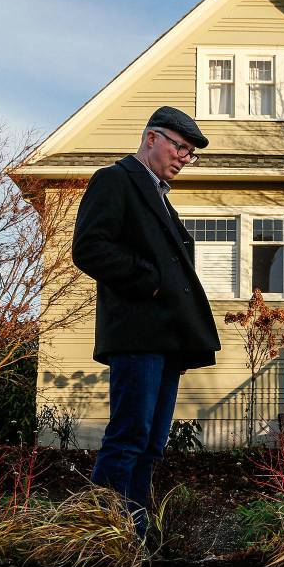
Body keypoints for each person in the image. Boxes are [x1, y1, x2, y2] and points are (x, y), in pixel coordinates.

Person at [72, 106, 220, 536]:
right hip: (137, 336)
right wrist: (150, 282)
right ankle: (100, 533)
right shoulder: (115, 180)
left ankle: (136, 529)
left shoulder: (160, 197)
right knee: (129, 436)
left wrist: (179, 329)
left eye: (190, 153)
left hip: (167, 339)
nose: (184, 158)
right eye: (180, 147)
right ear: (151, 138)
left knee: (153, 442)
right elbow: (89, 248)